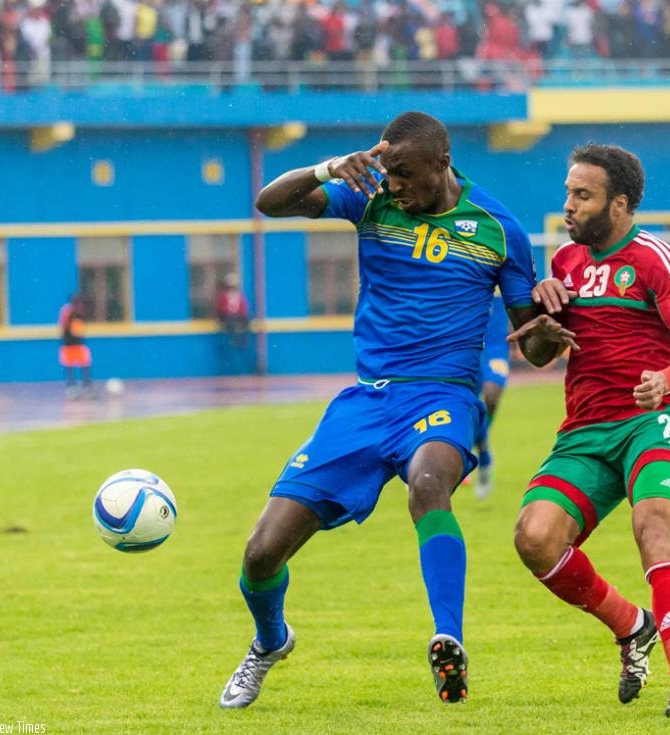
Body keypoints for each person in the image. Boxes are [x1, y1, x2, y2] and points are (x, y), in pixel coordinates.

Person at [219, 111, 538, 710]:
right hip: (367, 399)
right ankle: (270, 641)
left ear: (441, 164)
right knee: (261, 553)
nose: (394, 186)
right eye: (387, 173)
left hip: (443, 392)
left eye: (406, 175)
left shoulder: (498, 227)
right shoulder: (368, 198)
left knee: (428, 483)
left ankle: (450, 639)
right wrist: (327, 168)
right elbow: (269, 202)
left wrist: (548, 317)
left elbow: (536, 343)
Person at [511, 143, 670, 718]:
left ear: (620, 203)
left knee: (653, 522)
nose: (569, 206)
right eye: (568, 193)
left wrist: (668, 376)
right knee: (535, 538)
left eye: (583, 195)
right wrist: (541, 323)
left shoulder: (658, 260)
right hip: (585, 430)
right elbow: (538, 356)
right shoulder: (565, 266)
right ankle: (632, 626)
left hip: (655, 420)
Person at [469, 291, 511, 500]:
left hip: (495, 348)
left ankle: (481, 448)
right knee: (468, 405)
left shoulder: (502, 263)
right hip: (468, 346)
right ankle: (484, 456)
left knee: (492, 394)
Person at [58, 293, 93, 398]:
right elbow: (64, 326)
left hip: (79, 344)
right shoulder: (67, 311)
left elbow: (80, 330)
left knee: (85, 364)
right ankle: (71, 387)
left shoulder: (81, 314)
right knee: (69, 366)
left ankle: (87, 387)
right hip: (68, 344)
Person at [215, 272, 251, 348]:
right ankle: (234, 340)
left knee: (245, 322)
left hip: (237, 316)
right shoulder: (223, 296)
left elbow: (243, 306)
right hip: (227, 316)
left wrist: (241, 314)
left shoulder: (239, 296)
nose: (232, 288)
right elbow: (221, 307)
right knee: (230, 323)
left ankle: (243, 340)